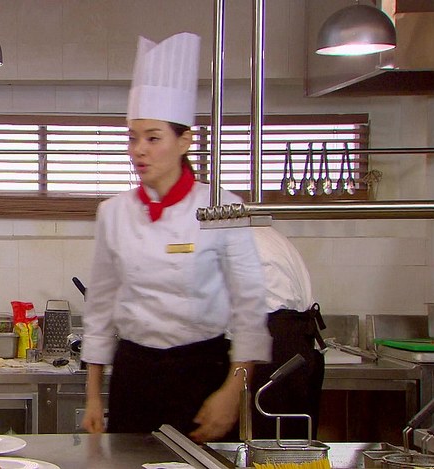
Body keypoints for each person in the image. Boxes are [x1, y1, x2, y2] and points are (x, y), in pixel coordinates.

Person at [79, 33, 272, 443]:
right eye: (132, 138)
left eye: (153, 138)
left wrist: (232, 391)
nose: (138, 150)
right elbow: (100, 307)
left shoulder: (224, 206)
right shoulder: (113, 212)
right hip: (134, 374)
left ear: (185, 141)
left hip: (202, 371)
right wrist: (93, 396)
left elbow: (250, 306)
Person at [251, 226, 325, 440]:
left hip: (274, 351)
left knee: (274, 446)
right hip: (297, 346)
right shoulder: (267, 234)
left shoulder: (236, 238)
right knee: (292, 443)